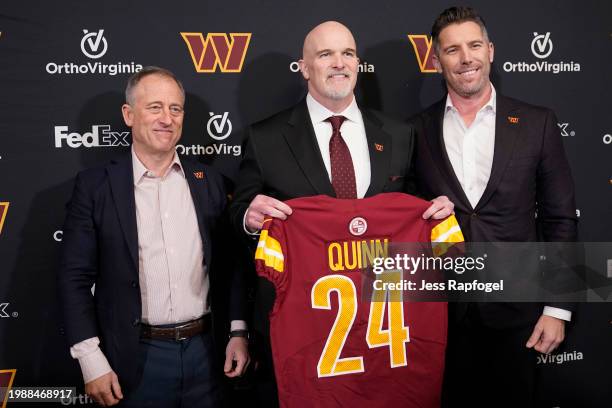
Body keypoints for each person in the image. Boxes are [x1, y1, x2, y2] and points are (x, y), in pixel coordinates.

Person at [229, 21, 454, 406]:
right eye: (325, 54)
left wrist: (435, 211)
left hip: (387, 333)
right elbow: (238, 212)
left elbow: (414, 205)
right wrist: (249, 218)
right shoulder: (266, 137)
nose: (339, 63)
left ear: (358, 63)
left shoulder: (398, 134)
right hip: (308, 332)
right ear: (304, 67)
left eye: (348, 53)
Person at [410, 7, 577, 407]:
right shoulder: (413, 130)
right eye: (452, 49)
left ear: (491, 51)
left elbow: (560, 219)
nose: (465, 58)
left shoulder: (537, 123)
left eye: (474, 45)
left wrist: (559, 308)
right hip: (442, 317)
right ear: (437, 61)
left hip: (519, 313)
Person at [58, 66, 249, 407]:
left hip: (208, 353)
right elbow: (74, 277)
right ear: (129, 115)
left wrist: (237, 331)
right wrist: (90, 359)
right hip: (132, 358)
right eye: (155, 107)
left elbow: (231, 265)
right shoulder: (95, 186)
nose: (167, 118)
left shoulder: (210, 182)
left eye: (175, 109)